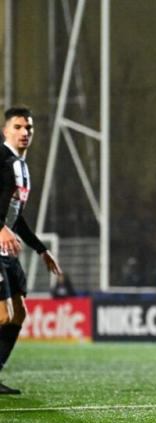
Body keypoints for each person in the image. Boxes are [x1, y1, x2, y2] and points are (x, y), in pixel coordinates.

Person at [0, 107, 62, 394]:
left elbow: (16, 216)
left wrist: (41, 250)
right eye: (18, 127)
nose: (25, 132)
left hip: (6, 250)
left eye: (29, 128)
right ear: (5, 130)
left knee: (18, 314)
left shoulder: (20, 166)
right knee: (3, 314)